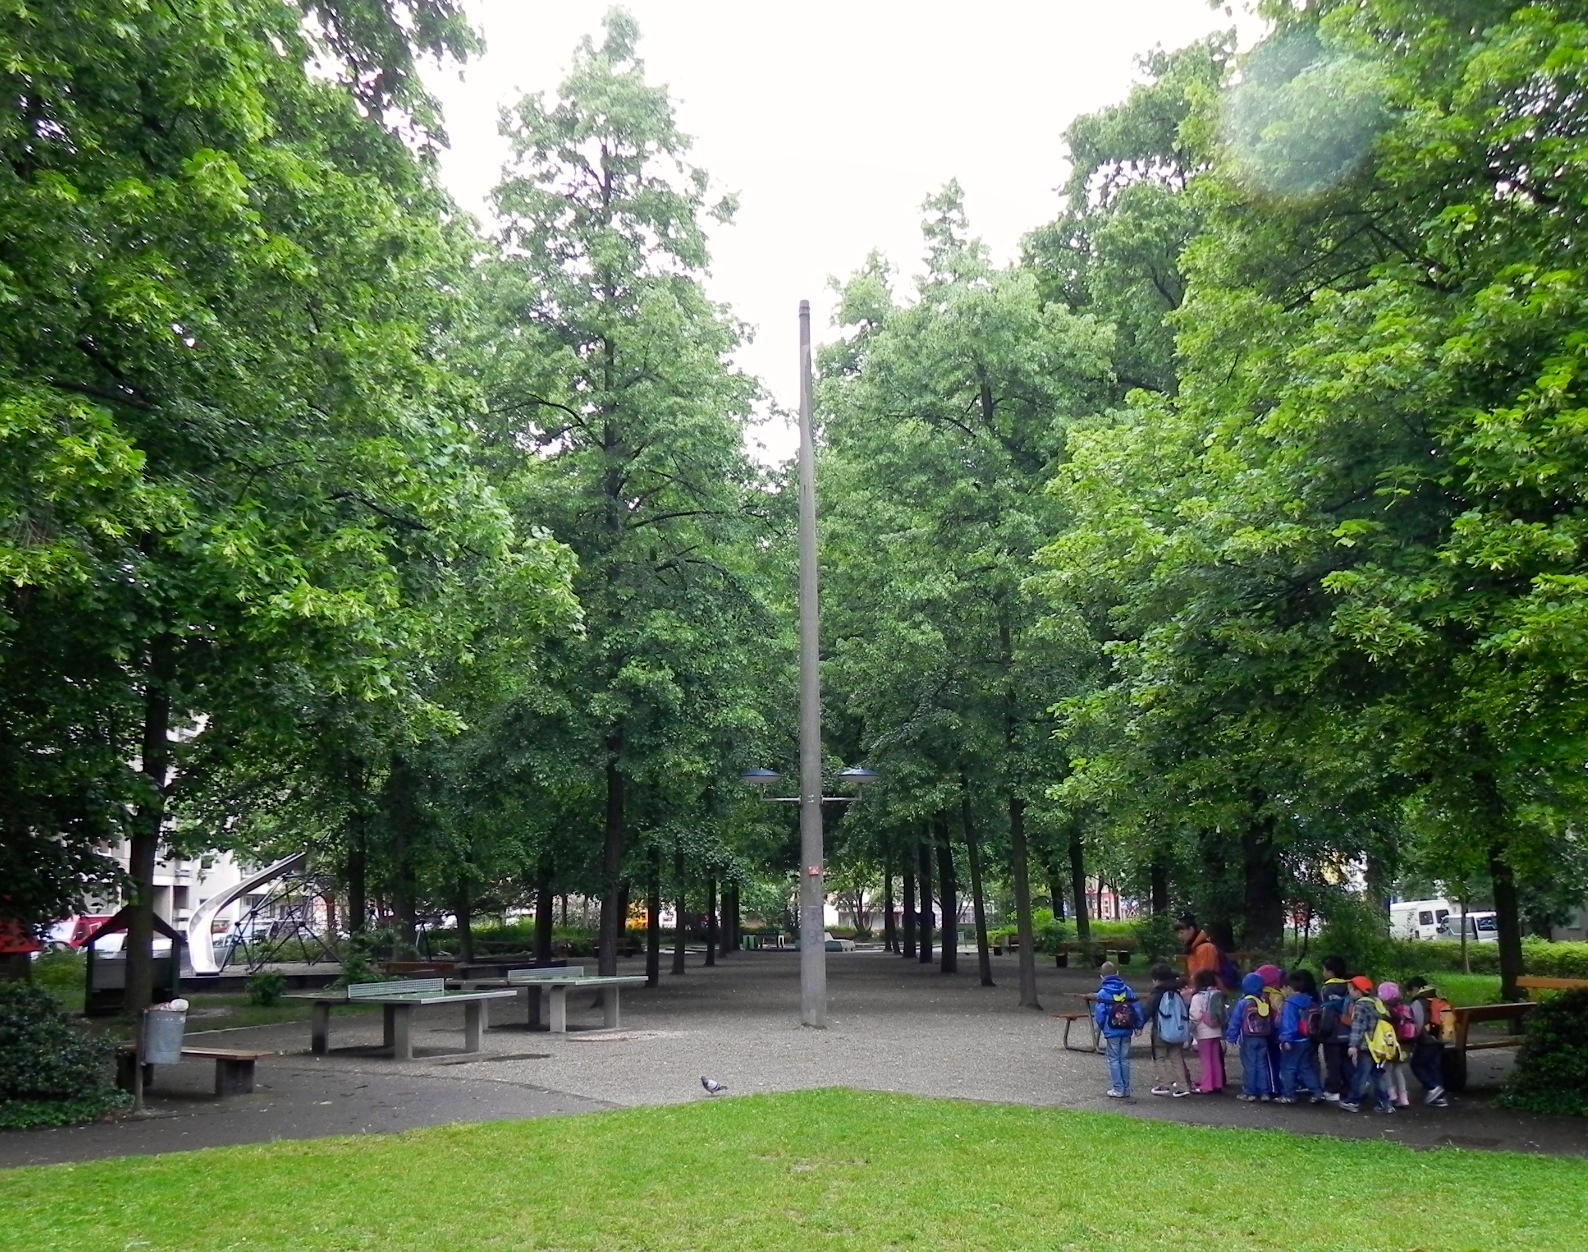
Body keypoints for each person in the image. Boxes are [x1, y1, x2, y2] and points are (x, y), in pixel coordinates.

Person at [1343, 975, 1394, 1113]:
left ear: (1357, 991)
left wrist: (1352, 1045)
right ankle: (1385, 1104)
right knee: (1377, 1075)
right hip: (1380, 1047)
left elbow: (1358, 1027)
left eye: (1350, 990)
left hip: (1367, 1046)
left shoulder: (1360, 1005)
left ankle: (1353, 1101)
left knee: (1361, 1074)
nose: (1349, 993)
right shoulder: (1377, 1004)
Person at [1093, 961, 1145, 1099]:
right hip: (1127, 1028)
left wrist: (1103, 1027)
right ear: (1117, 973)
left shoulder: (1103, 993)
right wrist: (1138, 1026)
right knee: (1125, 1059)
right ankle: (1127, 1088)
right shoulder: (1127, 990)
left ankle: (1118, 1088)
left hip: (1112, 1030)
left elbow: (1099, 1014)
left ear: (1101, 977)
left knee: (1114, 1059)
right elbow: (1137, 1009)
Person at [1276, 969, 1325, 1103]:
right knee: (1305, 1067)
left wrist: (1286, 1039)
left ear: (1289, 988)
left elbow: (1288, 1023)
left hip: (1294, 1041)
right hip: (1307, 1038)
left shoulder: (1290, 1004)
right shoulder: (1309, 1000)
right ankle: (1317, 1092)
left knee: (1288, 1068)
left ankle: (1289, 1095)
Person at [1145, 962, 1193, 1097]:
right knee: (1176, 1058)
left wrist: (1138, 1024)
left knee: (1159, 1057)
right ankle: (1183, 1086)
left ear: (1156, 979)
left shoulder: (1156, 994)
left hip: (1160, 1031)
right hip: (1178, 1030)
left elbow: (1147, 1011)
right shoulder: (1178, 991)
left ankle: (1163, 1084)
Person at [1226, 971, 1276, 1101]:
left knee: (1249, 1065)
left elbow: (1235, 1021)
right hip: (1263, 1037)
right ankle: (1264, 1092)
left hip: (1248, 1038)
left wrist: (1231, 1037)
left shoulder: (1244, 1003)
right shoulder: (1264, 1002)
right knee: (1261, 1065)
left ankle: (1249, 1092)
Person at [1405, 976, 1449, 1106]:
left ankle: (1433, 1087)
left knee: (1416, 1064)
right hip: (1440, 1039)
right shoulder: (1437, 999)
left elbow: (1417, 1024)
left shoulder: (1418, 1002)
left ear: (1415, 989)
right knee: (1434, 1067)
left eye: (1410, 991)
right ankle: (1440, 1098)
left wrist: (1412, 1041)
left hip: (1426, 1041)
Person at [1317, 956, 1353, 1102]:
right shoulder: (1349, 987)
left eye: (1324, 970)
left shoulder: (1326, 989)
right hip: (1347, 1030)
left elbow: (1327, 1012)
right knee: (1346, 1062)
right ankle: (1352, 1088)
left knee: (1332, 1063)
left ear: (1330, 972)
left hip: (1332, 1032)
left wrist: (1322, 1031)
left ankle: (1333, 1090)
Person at [1188, 968, 1227, 1094]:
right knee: (1215, 1058)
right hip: (1216, 1030)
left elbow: (1195, 1015)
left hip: (1203, 1032)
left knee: (1206, 1060)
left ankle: (1207, 1085)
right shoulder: (1217, 994)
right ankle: (1217, 1083)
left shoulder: (1197, 997)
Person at [1378, 982, 1415, 1108]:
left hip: (1390, 1043)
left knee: (1386, 1069)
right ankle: (1404, 1098)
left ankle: (1391, 1094)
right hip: (1404, 1043)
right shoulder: (1406, 1008)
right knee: (1399, 1070)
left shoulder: (1386, 1011)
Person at [1175, 914, 1229, 991]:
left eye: (1181, 933)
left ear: (1191, 929)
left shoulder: (1206, 948)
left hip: (1209, 992)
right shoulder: (1192, 948)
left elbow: (1205, 977)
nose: (1179, 936)